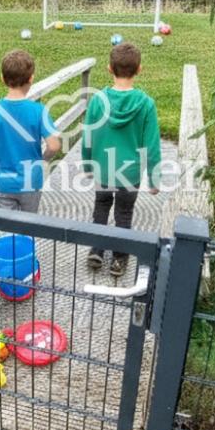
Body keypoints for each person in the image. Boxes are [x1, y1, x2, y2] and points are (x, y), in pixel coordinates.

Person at [81, 42, 162, 276]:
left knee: (101, 207)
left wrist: (88, 165)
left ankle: (96, 250)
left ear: (109, 69)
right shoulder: (146, 104)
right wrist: (154, 178)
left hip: (103, 170)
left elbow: (88, 135)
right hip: (130, 173)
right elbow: (152, 145)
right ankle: (119, 259)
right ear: (139, 69)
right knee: (124, 213)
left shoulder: (97, 100)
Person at [0, 49, 61, 212]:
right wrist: (42, 160)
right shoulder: (39, 111)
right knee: (29, 226)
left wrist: (0, 148)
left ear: (2, 78)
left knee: (7, 229)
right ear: (31, 78)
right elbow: (54, 146)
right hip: (31, 181)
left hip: (3, 183)